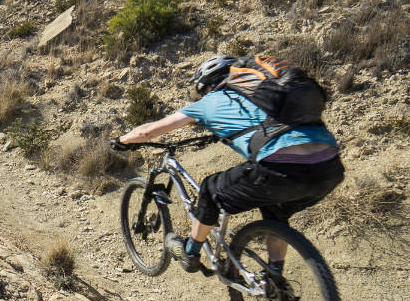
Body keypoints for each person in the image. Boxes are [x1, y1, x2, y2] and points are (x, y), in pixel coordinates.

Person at [116, 55, 345, 272]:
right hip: (330, 168)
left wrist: (122, 141)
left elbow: (147, 131)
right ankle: (275, 277)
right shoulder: (263, 98)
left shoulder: (209, 102)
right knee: (275, 210)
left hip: (280, 167)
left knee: (209, 189)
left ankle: (190, 252)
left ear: (206, 86)